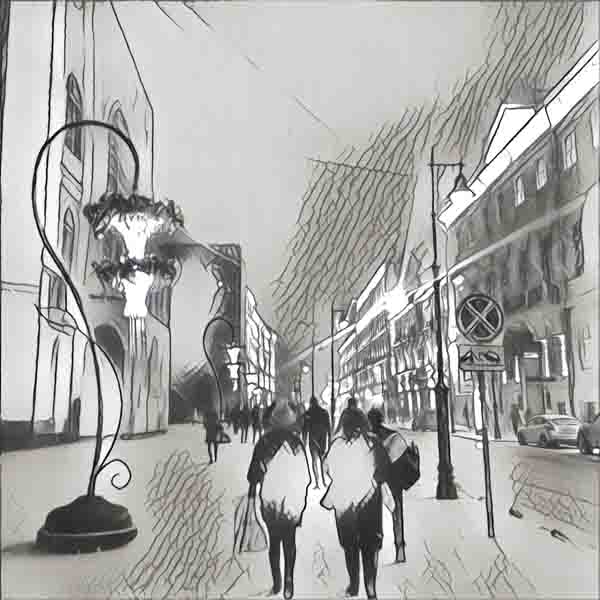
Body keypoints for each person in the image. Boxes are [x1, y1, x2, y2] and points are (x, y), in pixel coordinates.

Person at [321, 400, 389, 599]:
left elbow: (329, 470)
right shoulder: (373, 442)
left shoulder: (336, 445)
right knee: (370, 545)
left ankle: (353, 585)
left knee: (350, 545)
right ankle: (371, 588)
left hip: (344, 503)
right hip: (369, 502)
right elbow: (384, 470)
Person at [246, 397, 310, 599]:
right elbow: (305, 477)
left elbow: (253, 475)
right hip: (291, 500)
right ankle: (289, 579)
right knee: (290, 542)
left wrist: (254, 490)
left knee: (274, 542)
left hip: (270, 499)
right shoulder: (297, 443)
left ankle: (277, 582)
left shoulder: (264, 442)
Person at [367, 407, 408, 563]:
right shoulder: (393, 435)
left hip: (377, 481)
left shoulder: (369, 438)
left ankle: (376, 548)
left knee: (374, 516)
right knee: (397, 513)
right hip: (395, 480)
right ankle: (400, 547)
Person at [304, 396, 331, 489]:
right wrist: (330, 439)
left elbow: (305, 429)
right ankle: (324, 481)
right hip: (323, 439)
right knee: (322, 459)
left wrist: (304, 442)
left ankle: (317, 482)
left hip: (313, 439)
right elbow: (329, 427)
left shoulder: (308, 413)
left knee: (314, 461)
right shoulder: (324, 412)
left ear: (311, 403)